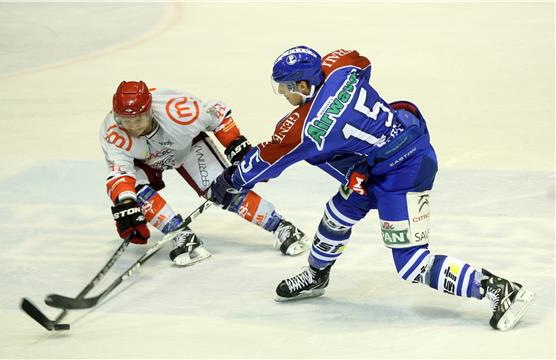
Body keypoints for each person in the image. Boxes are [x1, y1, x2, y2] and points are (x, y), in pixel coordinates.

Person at [207, 46, 535, 330]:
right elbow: (362, 62)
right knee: (338, 214)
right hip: (382, 157)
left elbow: (266, 161)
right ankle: (316, 275)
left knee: (411, 263)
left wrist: (230, 182)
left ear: (304, 85)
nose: (282, 94)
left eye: (285, 88)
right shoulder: (340, 66)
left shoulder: (304, 128)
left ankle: (497, 289)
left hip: (404, 171)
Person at [100, 80, 311, 266]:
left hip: (186, 146)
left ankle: (282, 227)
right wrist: (127, 205)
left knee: (223, 190)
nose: (132, 127)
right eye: (124, 121)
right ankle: (181, 235)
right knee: (132, 196)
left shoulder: (178, 111)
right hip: (145, 160)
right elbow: (120, 173)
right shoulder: (113, 133)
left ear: (150, 112)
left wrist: (235, 145)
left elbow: (217, 113)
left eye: (138, 120)